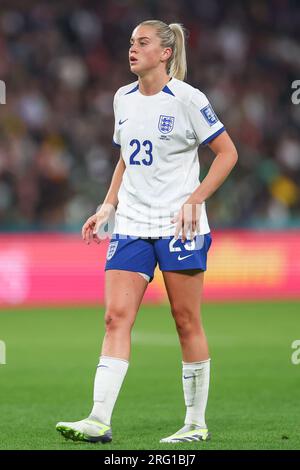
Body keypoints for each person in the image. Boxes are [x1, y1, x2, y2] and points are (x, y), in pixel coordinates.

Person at [56, 19, 238, 444]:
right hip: (132, 224)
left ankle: (195, 423)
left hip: (179, 224)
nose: (132, 49)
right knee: (115, 317)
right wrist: (107, 206)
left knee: (185, 320)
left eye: (142, 42)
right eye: (131, 42)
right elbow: (125, 159)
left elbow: (228, 153)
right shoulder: (123, 97)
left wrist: (196, 199)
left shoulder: (189, 99)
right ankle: (98, 419)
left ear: (165, 52)